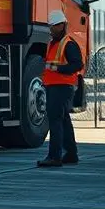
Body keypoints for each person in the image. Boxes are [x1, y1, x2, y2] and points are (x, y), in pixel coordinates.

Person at [37, 9, 84, 168]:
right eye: (50, 27)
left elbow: (77, 64)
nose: (51, 29)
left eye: (54, 26)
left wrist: (58, 69)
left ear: (62, 25)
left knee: (55, 121)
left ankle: (54, 156)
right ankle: (71, 154)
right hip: (54, 86)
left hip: (62, 87)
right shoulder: (54, 43)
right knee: (63, 120)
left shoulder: (68, 44)